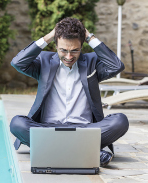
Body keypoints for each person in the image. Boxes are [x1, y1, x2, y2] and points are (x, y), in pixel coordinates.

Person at [10, 17, 129, 167]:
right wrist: (49, 36)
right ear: (55, 45)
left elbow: (116, 66)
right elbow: (17, 62)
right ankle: (86, 151)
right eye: (63, 50)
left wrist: (89, 37)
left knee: (120, 121)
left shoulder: (91, 62)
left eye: (75, 51)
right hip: (48, 129)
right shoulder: (44, 61)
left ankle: (53, 149)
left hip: (85, 130)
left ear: (82, 46)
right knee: (17, 123)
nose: (68, 56)